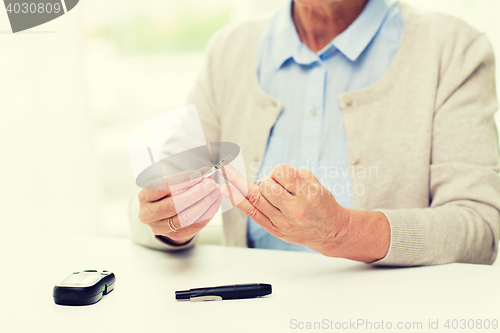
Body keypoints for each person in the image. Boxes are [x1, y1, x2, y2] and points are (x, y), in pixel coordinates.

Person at [129, 0, 500, 266]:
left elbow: (480, 229)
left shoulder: (452, 48)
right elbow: (148, 201)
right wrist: (169, 223)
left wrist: (344, 230)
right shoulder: (230, 49)